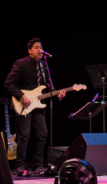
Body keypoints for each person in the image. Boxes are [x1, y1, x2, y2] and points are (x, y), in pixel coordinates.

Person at [4, 38, 66, 176]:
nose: (40, 50)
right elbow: (8, 83)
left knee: (43, 134)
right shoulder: (20, 63)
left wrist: (58, 94)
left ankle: (37, 165)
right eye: (37, 47)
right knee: (24, 134)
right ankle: (19, 165)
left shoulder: (44, 65)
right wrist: (21, 96)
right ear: (30, 50)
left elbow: (49, 87)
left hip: (38, 105)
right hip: (23, 103)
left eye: (41, 47)